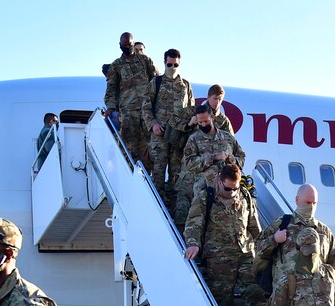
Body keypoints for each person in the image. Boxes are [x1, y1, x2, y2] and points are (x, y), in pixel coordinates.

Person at [183, 164, 264, 306]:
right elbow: (193, 223)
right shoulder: (206, 197)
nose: (232, 192)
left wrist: (264, 248)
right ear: (220, 180)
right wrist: (193, 243)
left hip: (245, 252)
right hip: (219, 257)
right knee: (222, 299)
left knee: (254, 290)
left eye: (235, 188)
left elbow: (254, 227)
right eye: (228, 188)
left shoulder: (244, 195)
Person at [253, 184, 335, 288]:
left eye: (315, 203)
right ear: (297, 200)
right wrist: (274, 239)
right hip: (284, 296)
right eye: (308, 202)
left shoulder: (324, 231)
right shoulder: (282, 224)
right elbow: (256, 248)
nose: (311, 207)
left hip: (315, 298)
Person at [174, 103, 245, 227]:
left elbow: (242, 157)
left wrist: (234, 160)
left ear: (212, 117)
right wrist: (213, 157)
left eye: (206, 121)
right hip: (201, 189)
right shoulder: (194, 139)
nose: (203, 125)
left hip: (225, 191)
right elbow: (189, 163)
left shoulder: (227, 138)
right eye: (200, 122)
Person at [142, 48, 194, 210]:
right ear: (164, 62)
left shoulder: (185, 85)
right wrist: (153, 124)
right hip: (160, 134)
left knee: (176, 173)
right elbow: (145, 106)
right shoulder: (156, 83)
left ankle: (173, 208)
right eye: (169, 64)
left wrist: (188, 129)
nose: (172, 67)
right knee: (158, 171)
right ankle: (155, 206)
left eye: (175, 65)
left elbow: (191, 110)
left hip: (178, 135)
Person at [104, 32, 156, 166]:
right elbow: (111, 87)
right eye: (124, 45)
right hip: (128, 112)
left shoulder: (145, 61)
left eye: (130, 44)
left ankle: (146, 176)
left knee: (148, 145)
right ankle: (129, 171)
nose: (127, 47)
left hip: (146, 111)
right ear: (120, 45)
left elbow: (156, 81)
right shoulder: (116, 65)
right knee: (129, 145)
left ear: (134, 43)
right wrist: (110, 107)